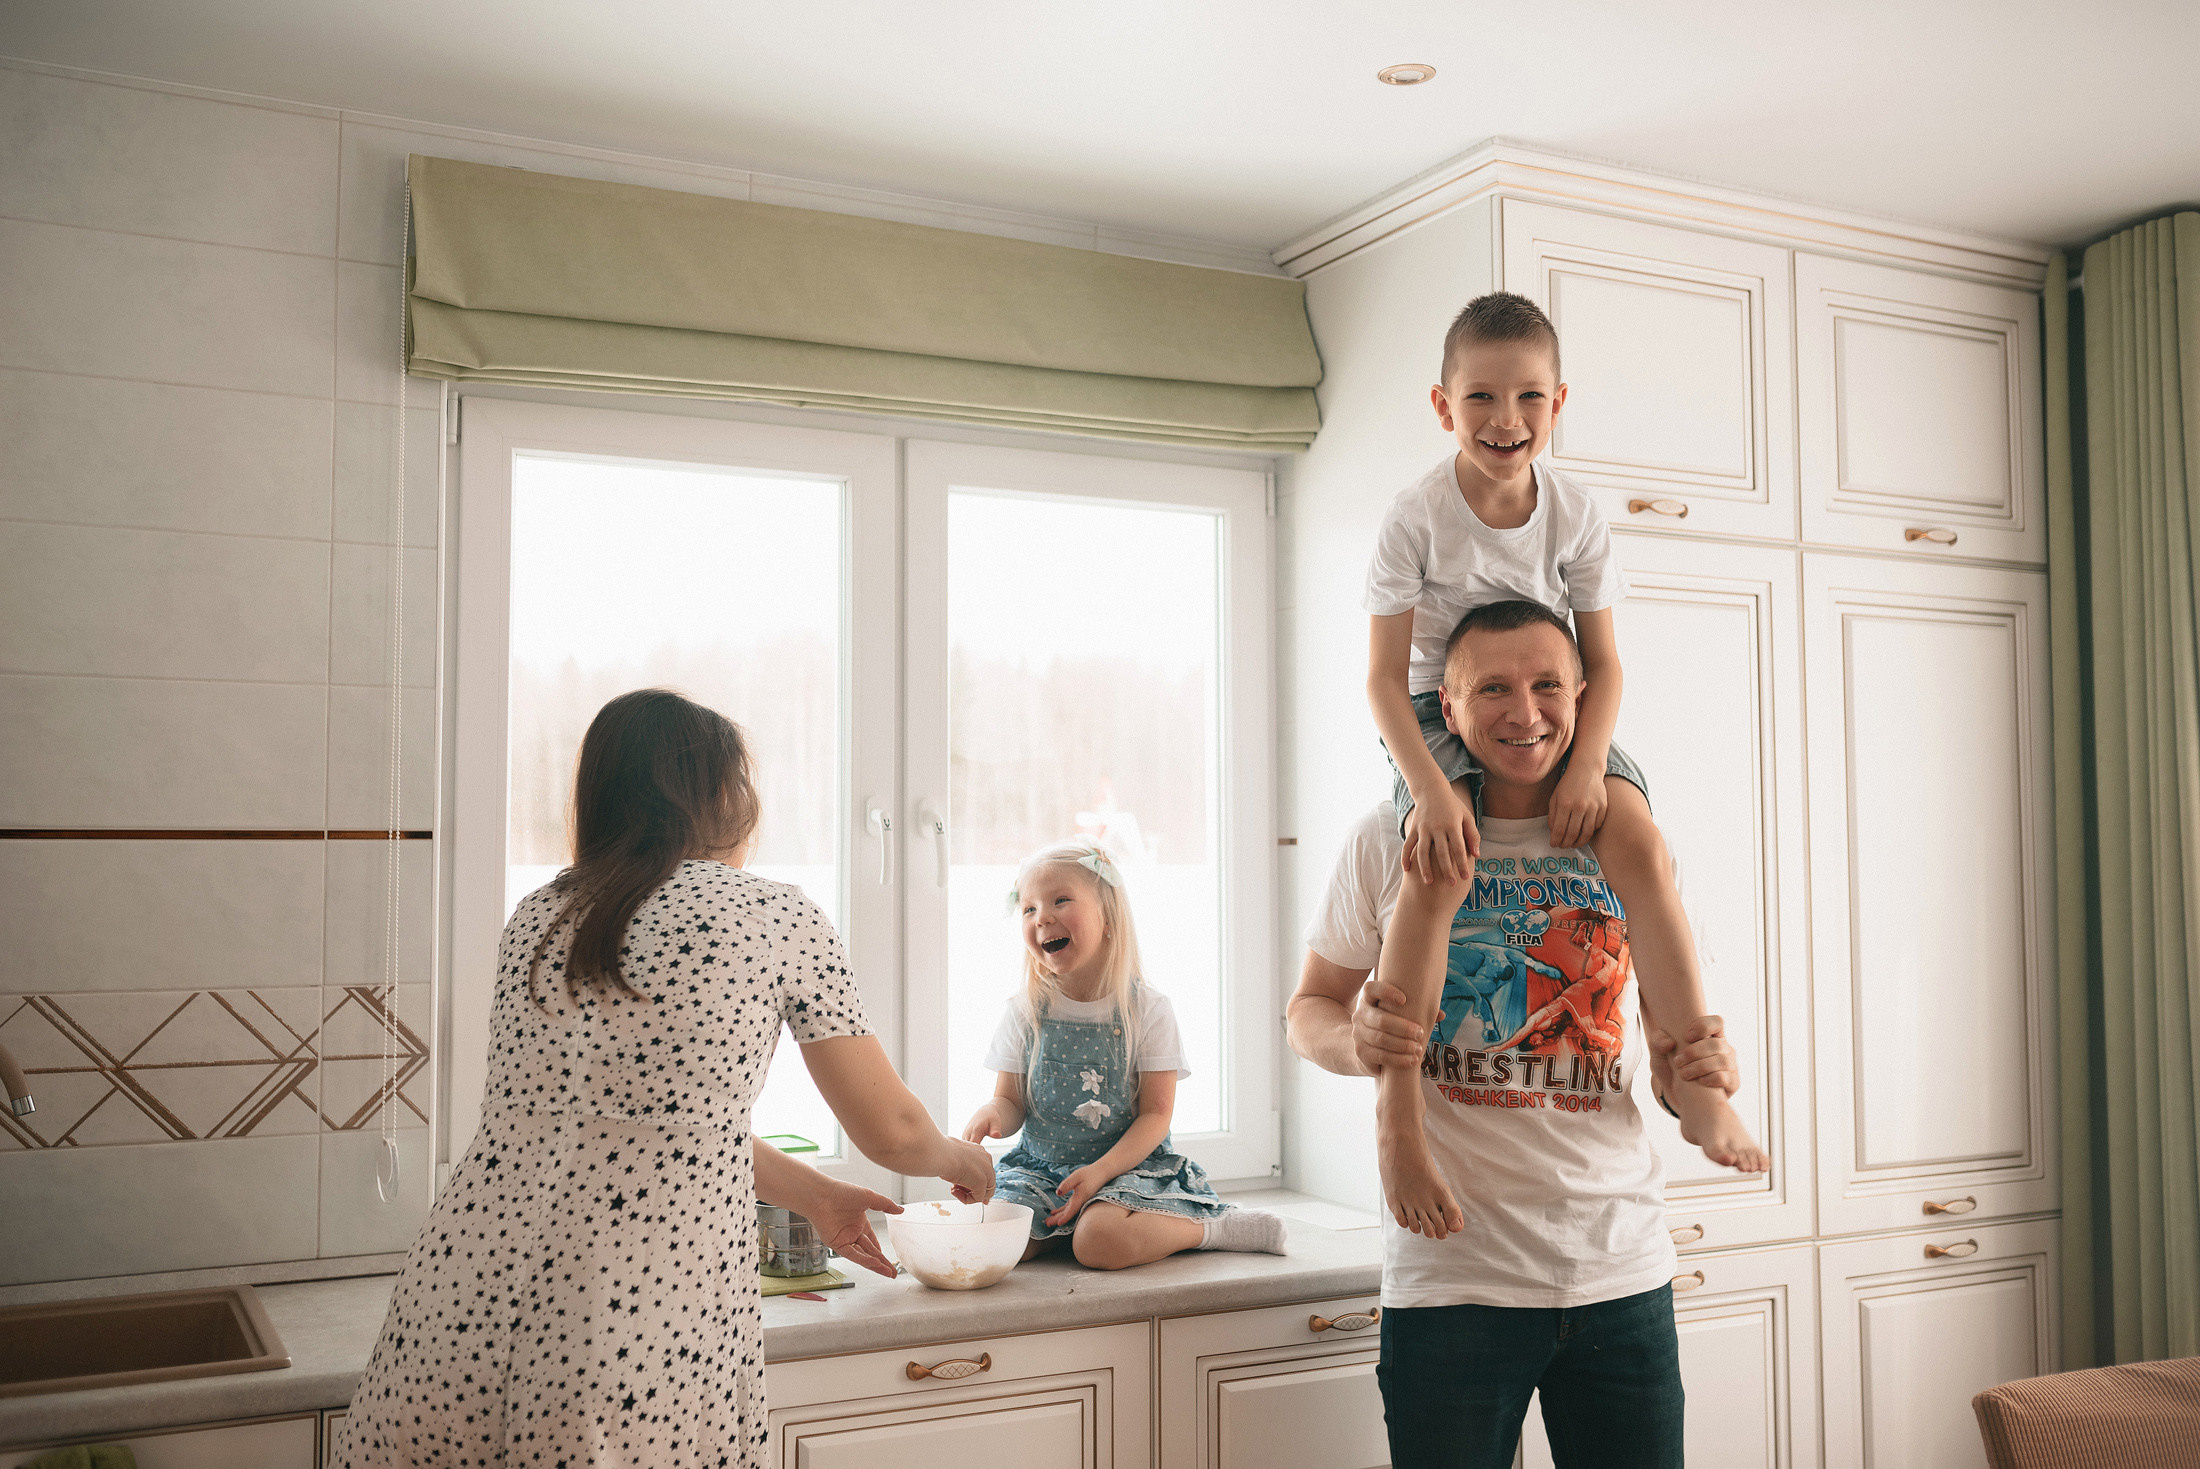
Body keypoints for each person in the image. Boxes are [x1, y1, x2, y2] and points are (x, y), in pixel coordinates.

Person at [336, 689, 994, 1469]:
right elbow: (893, 1133)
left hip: (450, 1314)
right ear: (718, 797)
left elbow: (630, 1123)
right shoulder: (776, 916)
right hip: (632, 1333)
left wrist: (814, 1195)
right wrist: (963, 1161)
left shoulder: (539, 915)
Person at [1287, 601, 1754, 1469]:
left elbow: (1653, 1044)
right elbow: (1307, 1009)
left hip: (1622, 1271)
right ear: (1448, 710)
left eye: (1546, 685)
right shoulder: (1383, 839)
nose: (1525, 711)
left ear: (1583, 695)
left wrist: (1699, 1079)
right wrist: (1363, 1041)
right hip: (1453, 1279)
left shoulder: (1631, 841)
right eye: (1493, 688)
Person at [1361, 292, 1762, 1234]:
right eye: (1482, 399)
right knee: (1438, 864)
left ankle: (1695, 1069)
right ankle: (1399, 1117)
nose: (1507, 421)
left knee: (1640, 844)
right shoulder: (1415, 516)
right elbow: (1381, 678)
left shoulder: (1575, 513)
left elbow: (1607, 662)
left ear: (1558, 401)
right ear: (1441, 404)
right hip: (1440, 708)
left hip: (1555, 701)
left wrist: (1587, 767)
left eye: (1530, 398)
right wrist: (1429, 785)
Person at [960, 838, 1287, 1267]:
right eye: (1029, 908)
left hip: (1124, 1171)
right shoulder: (1025, 1012)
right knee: (986, 1238)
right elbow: (1011, 1101)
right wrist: (992, 1114)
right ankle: (1065, 1226)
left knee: (1100, 1243)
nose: (1043, 918)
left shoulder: (1147, 1010)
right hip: (1042, 1172)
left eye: (1060, 900)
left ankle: (1211, 1226)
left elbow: (1155, 1115)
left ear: (1108, 918)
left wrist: (1100, 1172)